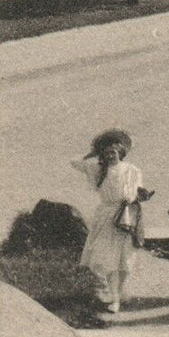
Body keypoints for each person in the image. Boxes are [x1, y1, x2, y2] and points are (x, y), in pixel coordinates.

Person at [71, 129, 151, 313]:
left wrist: (142, 194)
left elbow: (138, 189)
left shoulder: (131, 169)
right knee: (108, 259)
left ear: (120, 152)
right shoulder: (98, 169)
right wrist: (92, 153)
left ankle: (119, 293)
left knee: (125, 259)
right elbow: (74, 162)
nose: (109, 156)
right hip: (106, 216)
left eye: (113, 152)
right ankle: (114, 298)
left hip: (127, 216)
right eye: (106, 153)